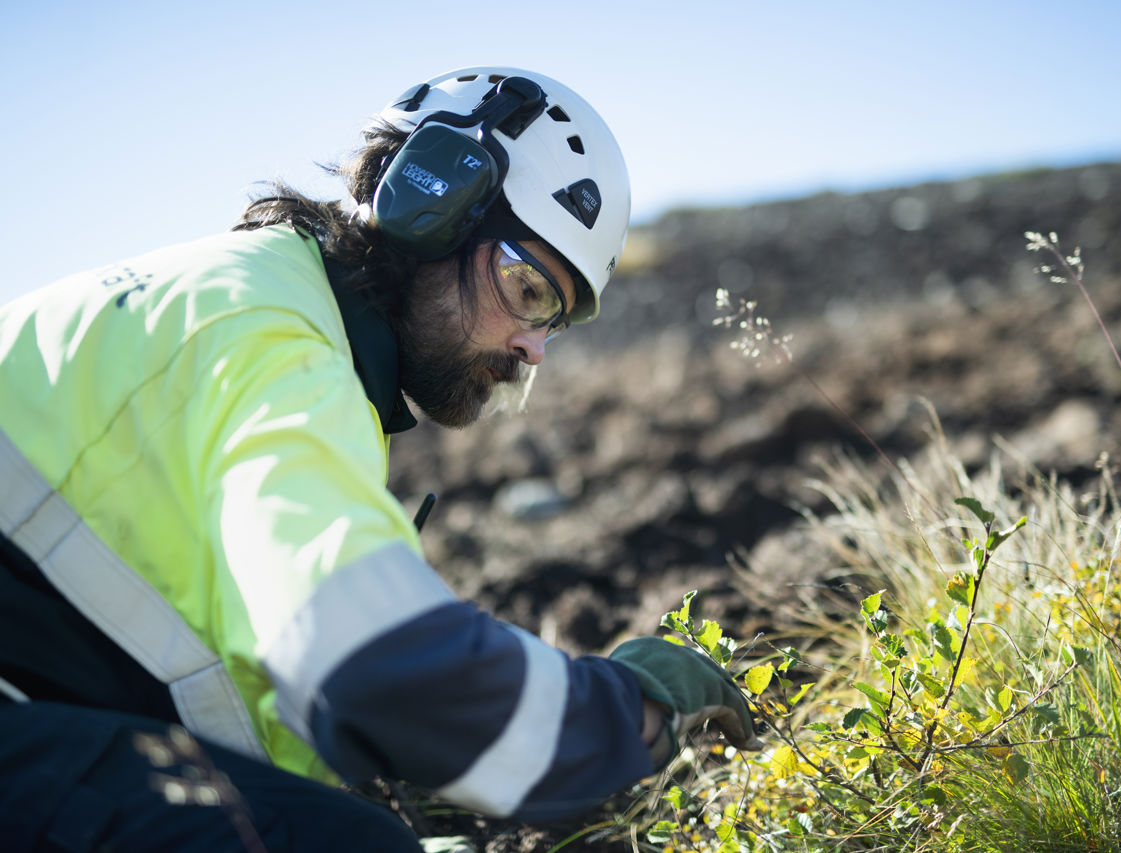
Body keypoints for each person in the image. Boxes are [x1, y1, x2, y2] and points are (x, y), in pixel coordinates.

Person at [0, 66, 760, 851]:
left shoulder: (262, 303)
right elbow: (366, 657)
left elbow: (233, 673)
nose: (534, 348)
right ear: (433, 204)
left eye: (555, 321)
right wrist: (626, 711)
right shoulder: (275, 342)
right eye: (528, 289)